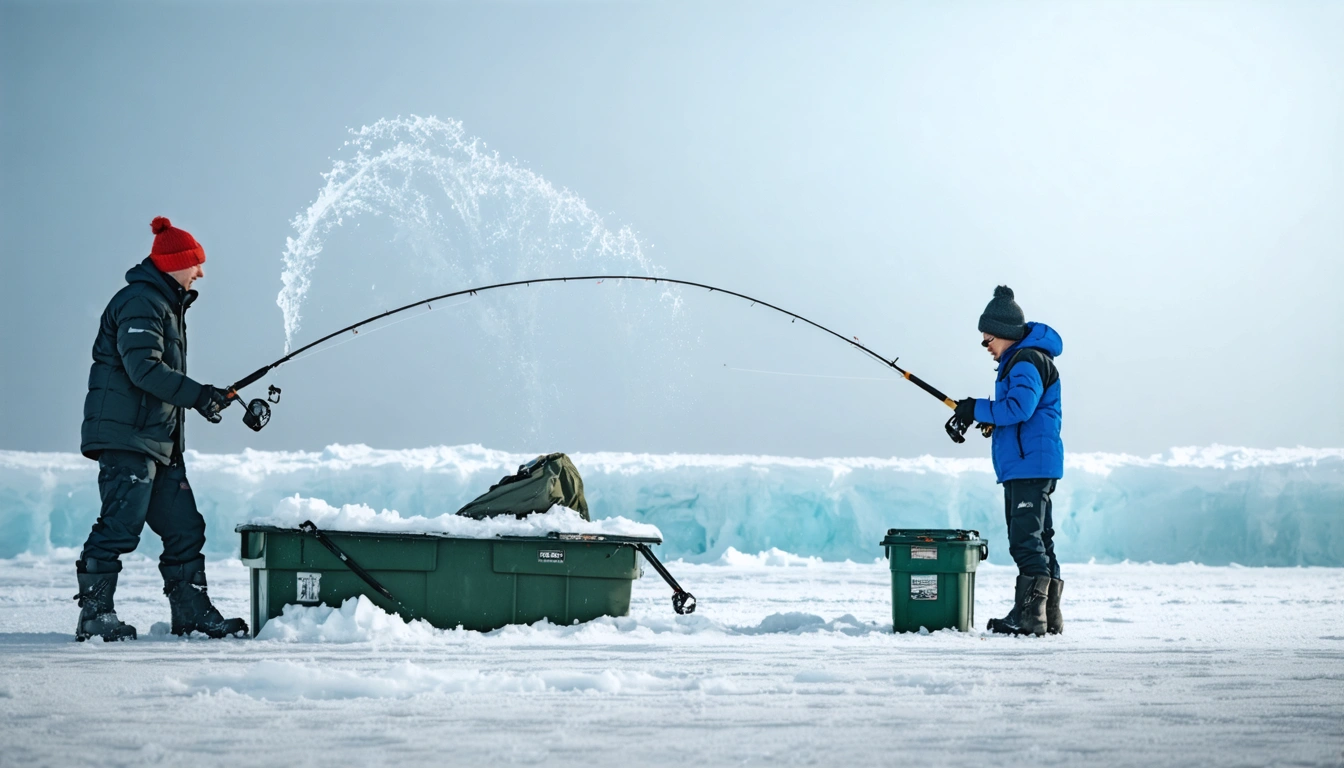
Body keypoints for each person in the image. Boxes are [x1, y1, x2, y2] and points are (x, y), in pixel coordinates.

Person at [75, 216, 246, 641]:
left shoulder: (165, 304)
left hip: (158, 441)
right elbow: (145, 370)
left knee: (185, 528)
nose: (200, 272)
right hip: (127, 438)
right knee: (119, 525)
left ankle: (191, 614)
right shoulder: (140, 302)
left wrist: (202, 399)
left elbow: (159, 378)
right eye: (196, 263)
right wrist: (199, 395)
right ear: (175, 263)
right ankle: (95, 615)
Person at [949, 286, 1064, 637]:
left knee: (1025, 541)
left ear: (1005, 332)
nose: (986, 345)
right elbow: (1018, 412)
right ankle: (1048, 615)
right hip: (1030, 464)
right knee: (1040, 539)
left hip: (1029, 465)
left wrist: (975, 408)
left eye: (988, 338)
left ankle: (1030, 618)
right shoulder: (1026, 359)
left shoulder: (1026, 360)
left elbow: (1019, 408)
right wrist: (987, 417)